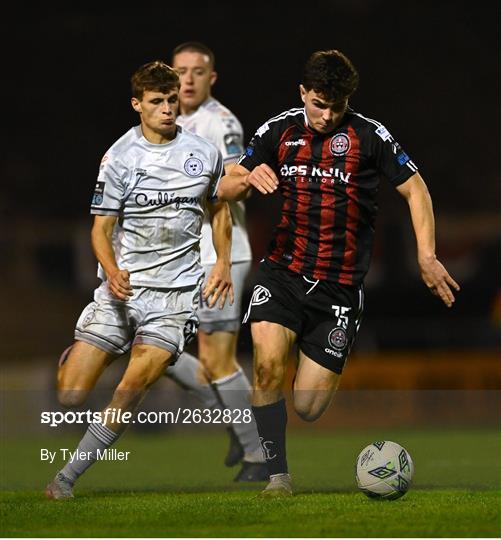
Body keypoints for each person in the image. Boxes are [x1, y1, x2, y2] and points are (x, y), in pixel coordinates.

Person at [217, 49, 460, 497]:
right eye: (319, 104)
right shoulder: (279, 130)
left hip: (340, 288)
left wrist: (427, 255)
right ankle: (278, 477)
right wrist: (247, 178)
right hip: (282, 273)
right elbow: (226, 184)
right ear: (303, 93)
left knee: (308, 406)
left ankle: (311, 359)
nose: (327, 116)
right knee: (267, 368)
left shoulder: (370, 137)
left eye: (337, 106)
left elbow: (416, 189)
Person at [45, 60, 233, 499]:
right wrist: (111, 272)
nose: (167, 109)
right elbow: (100, 229)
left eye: (172, 100)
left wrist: (222, 261)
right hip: (120, 291)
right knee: (71, 395)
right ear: (137, 105)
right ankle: (82, 352)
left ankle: (65, 479)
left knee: (130, 390)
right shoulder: (119, 158)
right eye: (156, 102)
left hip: (176, 297)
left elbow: (220, 209)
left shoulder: (204, 153)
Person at [164, 41, 267, 481]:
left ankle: (259, 457)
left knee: (217, 357)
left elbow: (238, 181)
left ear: (211, 78)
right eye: (180, 71)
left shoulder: (220, 123)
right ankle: (239, 423)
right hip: (179, 257)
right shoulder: (164, 122)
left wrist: (196, 188)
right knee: (156, 347)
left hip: (221, 255)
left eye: (197, 72)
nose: (187, 79)